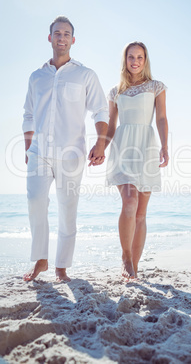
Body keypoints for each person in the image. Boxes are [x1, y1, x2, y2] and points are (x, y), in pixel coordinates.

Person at [22, 16, 108, 282]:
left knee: (67, 208)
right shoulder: (37, 76)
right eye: (57, 33)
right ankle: (41, 260)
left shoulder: (85, 75)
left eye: (66, 33)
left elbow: (100, 109)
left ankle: (61, 267)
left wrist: (101, 142)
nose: (61, 37)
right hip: (39, 152)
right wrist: (28, 147)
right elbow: (28, 114)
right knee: (35, 200)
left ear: (73, 39)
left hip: (72, 154)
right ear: (50, 39)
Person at [105, 41, 169, 279]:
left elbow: (161, 118)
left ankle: (134, 266)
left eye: (140, 57)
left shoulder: (156, 86)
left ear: (145, 59)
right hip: (123, 148)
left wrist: (165, 146)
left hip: (147, 147)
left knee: (141, 213)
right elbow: (111, 126)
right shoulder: (115, 91)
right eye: (131, 57)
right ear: (125, 60)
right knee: (129, 202)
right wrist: (101, 146)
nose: (135, 61)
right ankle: (125, 257)